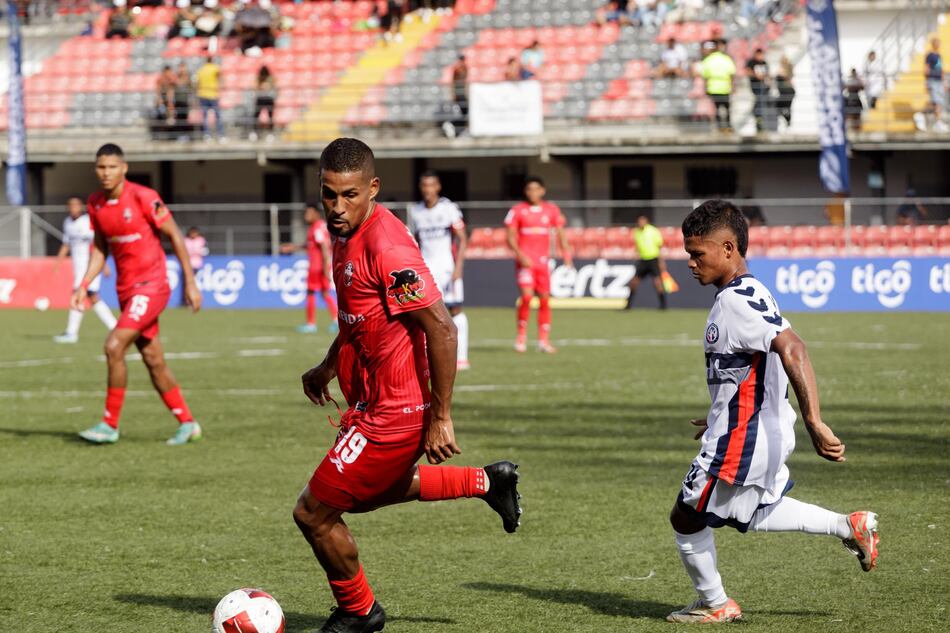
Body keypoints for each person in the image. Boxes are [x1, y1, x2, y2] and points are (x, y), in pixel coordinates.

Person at [293, 138, 521, 633]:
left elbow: (442, 328)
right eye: (328, 194)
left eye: (349, 195)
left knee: (314, 513)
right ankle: (488, 481)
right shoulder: (343, 234)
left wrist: (440, 416)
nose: (336, 207)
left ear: (372, 188)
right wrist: (329, 365)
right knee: (369, 492)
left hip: (394, 414)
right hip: (371, 404)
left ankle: (360, 611)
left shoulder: (388, 247)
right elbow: (359, 317)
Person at [667, 200, 879, 623]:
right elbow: (752, 367)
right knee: (757, 508)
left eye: (697, 253)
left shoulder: (736, 302)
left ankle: (715, 604)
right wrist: (716, 414)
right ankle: (848, 525)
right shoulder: (749, 290)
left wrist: (816, 421)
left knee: (686, 516)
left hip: (746, 435)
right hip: (755, 428)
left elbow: (793, 348)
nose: (690, 263)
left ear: (728, 248)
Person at [72, 143, 203, 446]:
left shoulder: (144, 197)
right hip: (126, 291)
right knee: (153, 358)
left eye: (111, 167)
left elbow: (174, 234)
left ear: (124, 168)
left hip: (152, 286)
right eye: (101, 167)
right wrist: (84, 284)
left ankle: (109, 424)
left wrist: (191, 283)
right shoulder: (96, 204)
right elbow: (100, 248)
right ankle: (187, 422)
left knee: (114, 345)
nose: (105, 173)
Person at [407, 171, 470, 371]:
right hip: (425, 268)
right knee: (426, 312)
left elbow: (462, 237)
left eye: (431, 185)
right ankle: (427, 356)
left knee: (455, 309)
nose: (427, 189)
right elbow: (413, 241)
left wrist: (458, 266)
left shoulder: (449, 208)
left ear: (438, 187)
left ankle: (461, 357)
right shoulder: (416, 211)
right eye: (424, 185)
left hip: (447, 267)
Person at [505, 176, 572, 353]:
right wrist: (520, 256)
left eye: (536, 189)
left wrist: (566, 255)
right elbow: (510, 237)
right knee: (527, 297)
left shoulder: (551, 210)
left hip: (543, 262)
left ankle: (544, 341)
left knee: (544, 299)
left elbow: (560, 234)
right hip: (525, 263)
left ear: (542, 190)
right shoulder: (518, 210)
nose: (532, 193)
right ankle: (521, 337)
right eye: (529, 189)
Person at [53, 197, 118, 344]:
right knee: (92, 297)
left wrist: (104, 265)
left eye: (76, 205)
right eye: (71, 205)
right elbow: (66, 244)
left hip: (90, 267)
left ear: (81, 207)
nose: (73, 208)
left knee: (80, 295)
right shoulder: (68, 223)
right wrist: (58, 262)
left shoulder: (87, 221)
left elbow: (97, 245)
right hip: (79, 267)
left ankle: (71, 333)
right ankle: (115, 327)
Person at [281, 205, 338, 334]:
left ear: (316, 214)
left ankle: (311, 324)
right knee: (324, 293)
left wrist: (325, 266)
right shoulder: (319, 226)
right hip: (320, 265)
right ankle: (336, 320)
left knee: (312, 292)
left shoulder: (317, 227)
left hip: (317, 267)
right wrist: (293, 247)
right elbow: (312, 245)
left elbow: (324, 246)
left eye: (309, 213)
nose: (306, 216)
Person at [625, 213, 667, 310]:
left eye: (642, 221)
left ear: (646, 222)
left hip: (653, 259)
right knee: (634, 282)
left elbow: (659, 247)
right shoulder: (636, 232)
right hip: (643, 260)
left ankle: (663, 305)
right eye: (639, 222)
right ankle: (628, 305)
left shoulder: (653, 231)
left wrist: (661, 261)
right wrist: (636, 253)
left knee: (657, 283)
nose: (640, 223)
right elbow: (638, 246)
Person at [701, 40, 736, 132]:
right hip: (725, 87)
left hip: (713, 88)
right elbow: (731, 73)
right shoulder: (726, 58)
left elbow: (705, 76)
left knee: (716, 109)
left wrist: (705, 88)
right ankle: (728, 126)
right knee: (727, 108)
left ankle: (720, 127)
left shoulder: (708, 60)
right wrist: (733, 87)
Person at [918, 38, 946, 132]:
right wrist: (926, 81)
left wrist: (944, 82)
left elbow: (941, 69)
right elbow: (926, 68)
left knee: (938, 102)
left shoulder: (939, 55)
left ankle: (922, 114)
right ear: (933, 44)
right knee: (936, 102)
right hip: (932, 80)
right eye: (937, 42)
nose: (938, 44)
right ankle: (937, 123)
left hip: (939, 81)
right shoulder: (930, 55)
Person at [196, 56, 224, 140]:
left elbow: (197, 82)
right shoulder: (215, 68)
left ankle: (206, 135)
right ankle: (220, 135)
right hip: (213, 94)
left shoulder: (201, 69)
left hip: (202, 94)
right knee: (217, 115)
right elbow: (220, 76)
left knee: (205, 117)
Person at [443, 54, 468, 138]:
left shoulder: (465, 68)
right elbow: (453, 82)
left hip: (462, 93)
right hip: (458, 93)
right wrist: (453, 93)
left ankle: (456, 128)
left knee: (465, 112)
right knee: (462, 112)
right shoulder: (457, 69)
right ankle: (451, 124)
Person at [746, 48, 770, 132]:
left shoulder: (764, 63)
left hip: (763, 85)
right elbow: (747, 71)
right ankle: (758, 116)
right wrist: (756, 75)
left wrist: (768, 81)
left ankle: (758, 116)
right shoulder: (752, 62)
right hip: (755, 86)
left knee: (761, 101)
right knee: (759, 99)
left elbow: (767, 74)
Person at [251, 65, 276, 141]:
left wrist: (264, 86)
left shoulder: (270, 78)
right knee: (256, 116)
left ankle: (270, 133)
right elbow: (255, 87)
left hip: (268, 99)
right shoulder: (258, 78)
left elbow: (270, 87)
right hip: (260, 98)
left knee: (270, 116)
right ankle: (255, 132)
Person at [774, 56, 795, 127]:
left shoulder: (788, 69)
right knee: (781, 107)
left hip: (788, 91)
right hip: (785, 92)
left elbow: (788, 77)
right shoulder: (782, 69)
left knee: (785, 108)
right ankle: (787, 121)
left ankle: (788, 121)